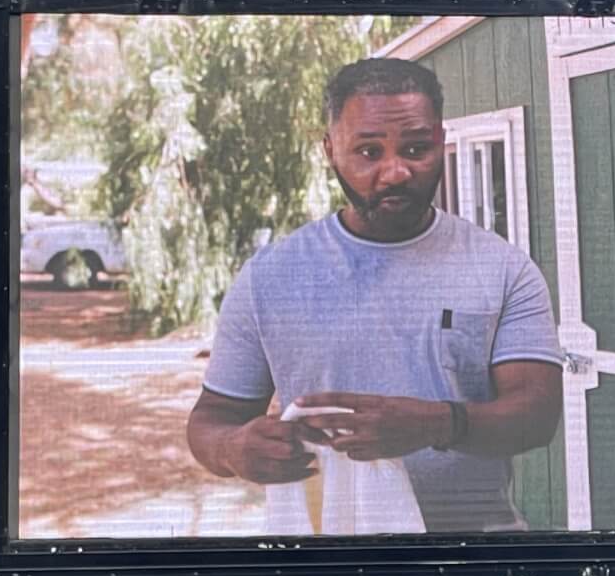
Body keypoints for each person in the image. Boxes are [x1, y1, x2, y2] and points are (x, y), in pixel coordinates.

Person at [186, 57, 564, 532]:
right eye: (368, 152)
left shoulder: (505, 269)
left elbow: (538, 417)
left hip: (475, 556)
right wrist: (232, 449)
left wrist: (438, 424)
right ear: (330, 150)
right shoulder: (270, 277)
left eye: (415, 148)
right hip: (329, 564)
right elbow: (212, 419)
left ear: (441, 142)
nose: (395, 172)